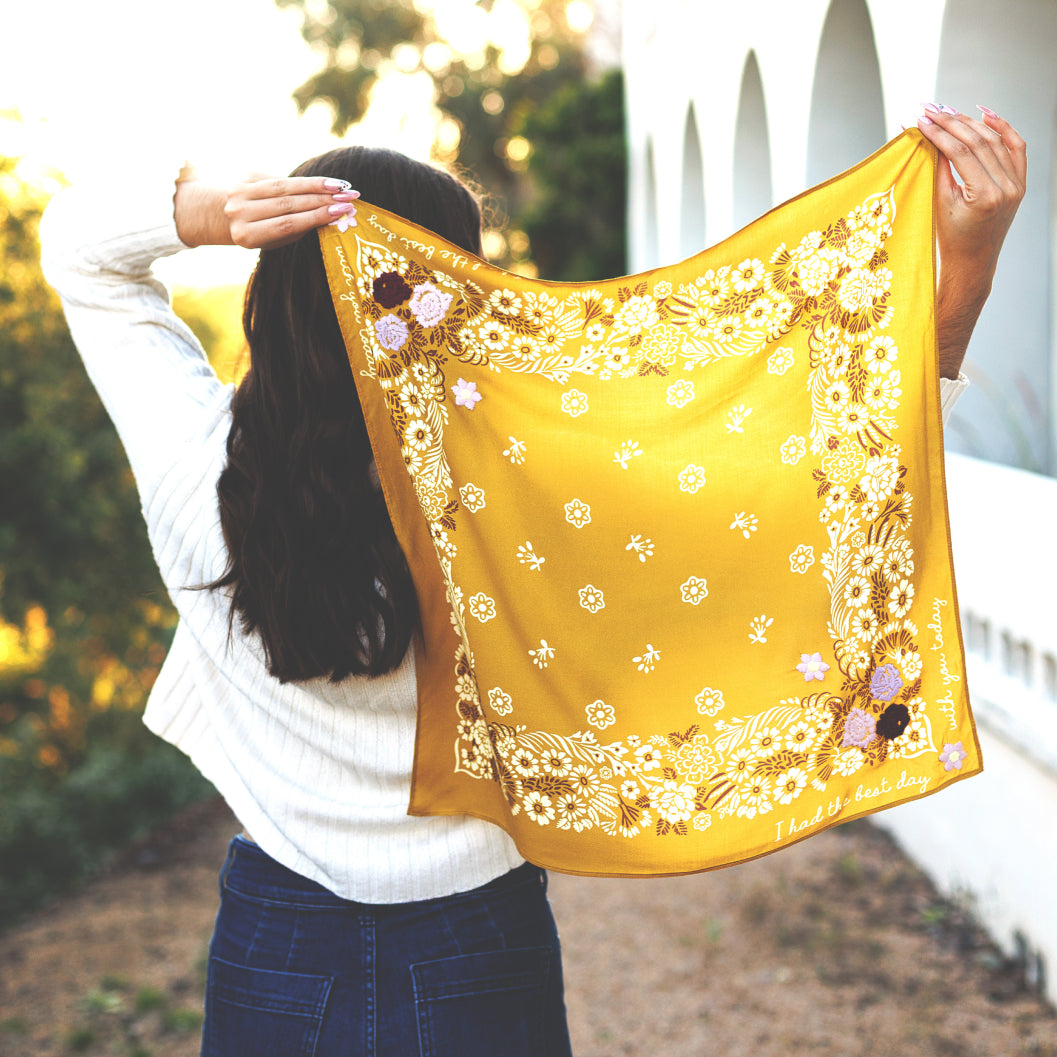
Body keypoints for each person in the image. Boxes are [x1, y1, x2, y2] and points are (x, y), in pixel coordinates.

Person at [39, 104, 1024, 1057]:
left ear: (273, 283)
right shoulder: (533, 494)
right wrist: (966, 264)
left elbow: (82, 252)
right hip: (480, 944)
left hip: (279, 943)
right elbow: (824, 460)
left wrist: (209, 210)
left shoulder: (192, 466)